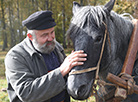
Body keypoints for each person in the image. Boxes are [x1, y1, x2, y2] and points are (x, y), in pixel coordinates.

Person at [5, 10, 87, 102]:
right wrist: (61, 71)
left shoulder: (56, 46)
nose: (51, 38)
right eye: (44, 35)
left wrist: (76, 68)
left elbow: (66, 76)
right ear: (30, 36)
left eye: (52, 32)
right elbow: (26, 93)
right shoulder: (15, 57)